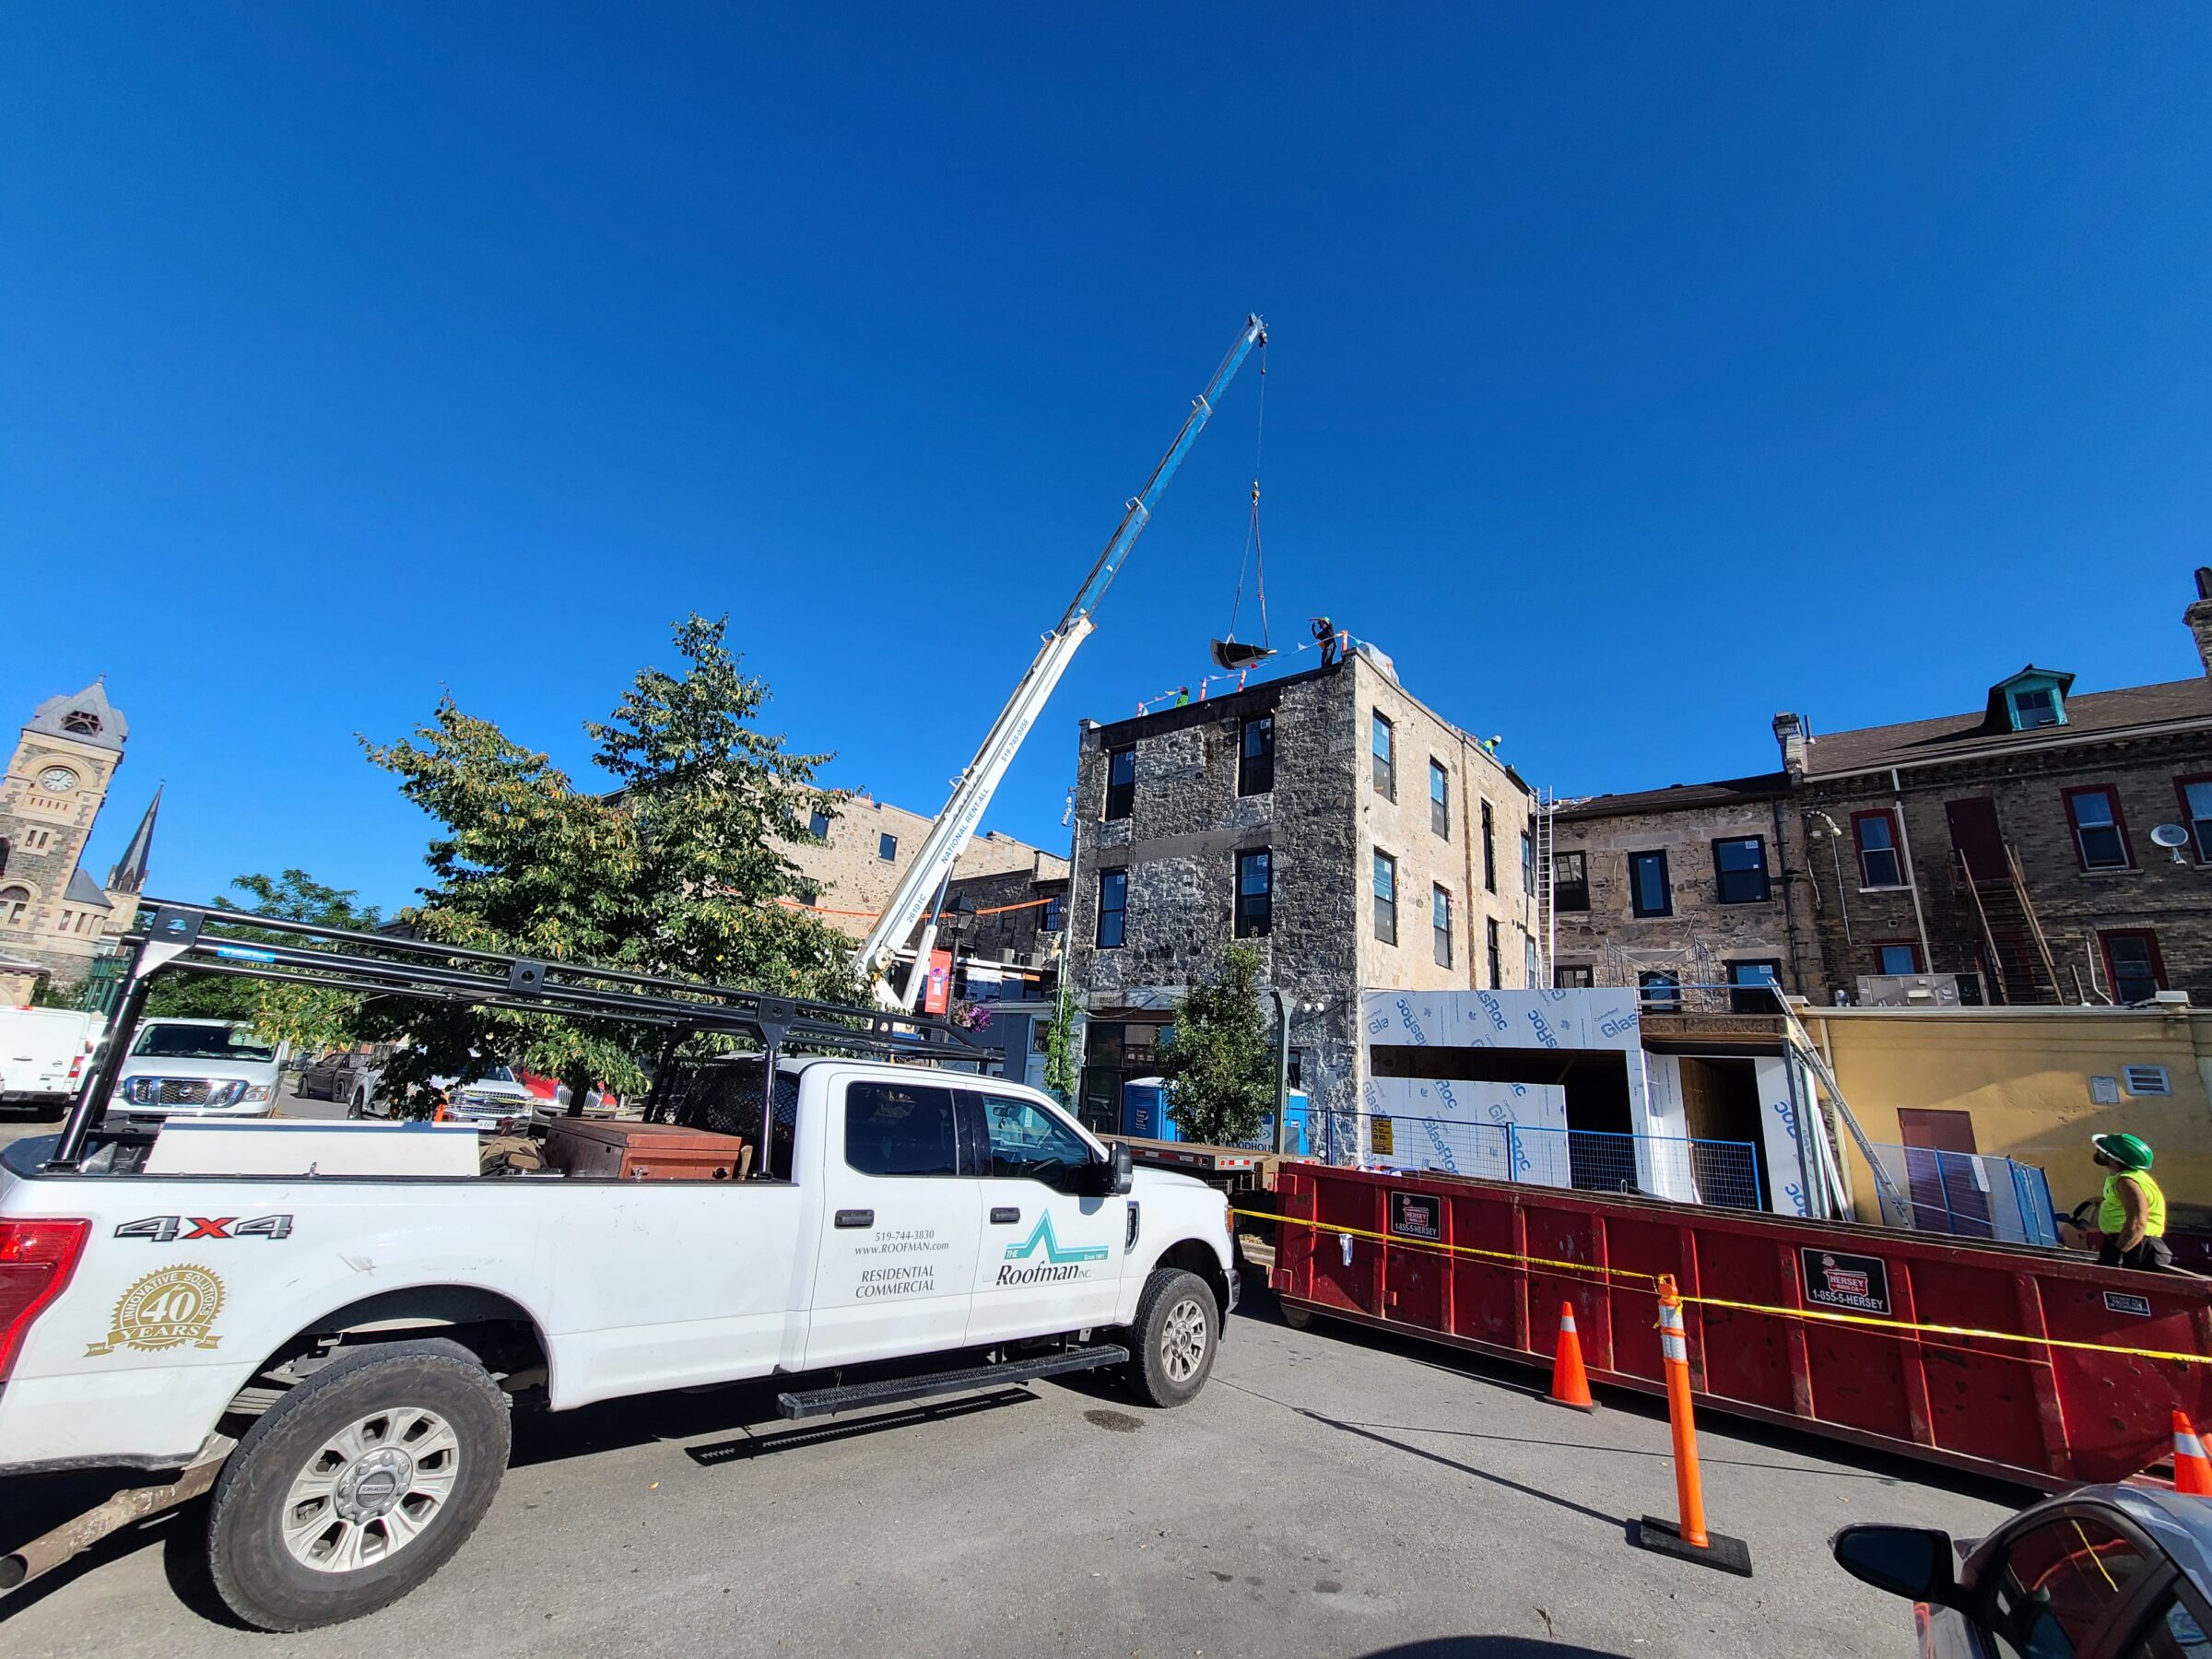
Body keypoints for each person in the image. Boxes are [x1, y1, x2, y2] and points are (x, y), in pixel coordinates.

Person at [2089, 1132, 2171, 1272]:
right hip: (2132, 1243)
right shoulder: (2126, 1177)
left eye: (2102, 1151)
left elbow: (2138, 1222)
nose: (2097, 1152)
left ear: (2114, 1160)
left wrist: (2117, 1252)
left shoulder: (2127, 1182)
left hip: (2138, 1247)